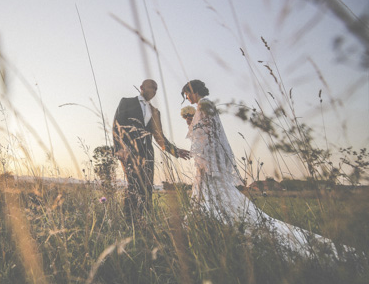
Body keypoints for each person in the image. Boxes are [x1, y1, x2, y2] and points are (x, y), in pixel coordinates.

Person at [182, 79, 350, 259]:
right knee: (212, 194)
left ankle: (213, 225)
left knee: (211, 194)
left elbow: (208, 132)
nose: (186, 98)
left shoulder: (204, 104)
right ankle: (208, 222)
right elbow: (206, 130)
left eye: (186, 94)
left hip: (208, 160)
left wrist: (199, 142)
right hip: (209, 159)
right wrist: (192, 123)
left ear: (193, 91)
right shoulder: (206, 105)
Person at [113, 79, 190, 219]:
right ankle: (130, 222)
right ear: (142, 87)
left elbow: (159, 137)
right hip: (128, 151)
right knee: (133, 185)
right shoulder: (126, 102)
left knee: (147, 187)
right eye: (151, 87)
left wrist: (175, 151)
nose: (154, 91)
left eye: (156, 89)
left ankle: (145, 220)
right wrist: (120, 149)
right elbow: (117, 125)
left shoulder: (155, 111)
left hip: (147, 153)